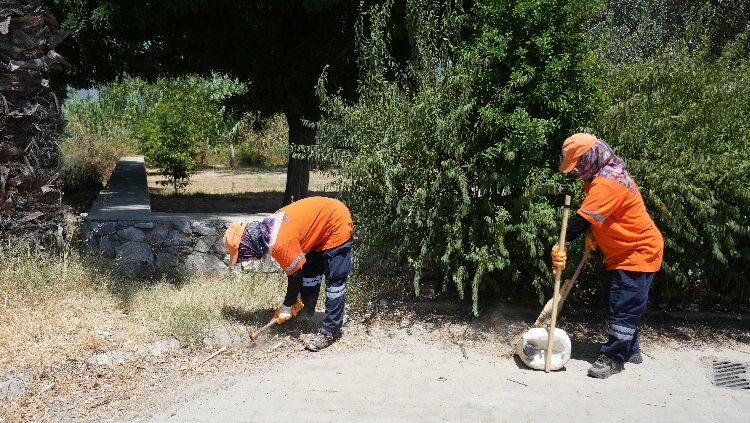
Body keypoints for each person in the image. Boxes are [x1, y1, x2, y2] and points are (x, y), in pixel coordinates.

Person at [551, 133, 663, 379]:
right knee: (620, 302)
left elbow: (581, 220)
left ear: (591, 158)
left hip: (636, 252)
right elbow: (604, 215)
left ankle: (614, 357)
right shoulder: (601, 178)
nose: (574, 171)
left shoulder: (608, 183)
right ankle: (630, 348)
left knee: (622, 305)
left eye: (577, 165)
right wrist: (597, 235)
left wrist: (563, 243)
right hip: (624, 253)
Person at [224, 196, 353, 352]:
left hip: (336, 222)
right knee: (310, 276)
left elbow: (295, 277)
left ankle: (330, 331)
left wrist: (286, 306)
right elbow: (299, 275)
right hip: (320, 228)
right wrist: (293, 304)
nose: (248, 259)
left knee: (335, 284)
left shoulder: (279, 242)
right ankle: (305, 316)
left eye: (244, 255)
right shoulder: (268, 230)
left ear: (249, 245)